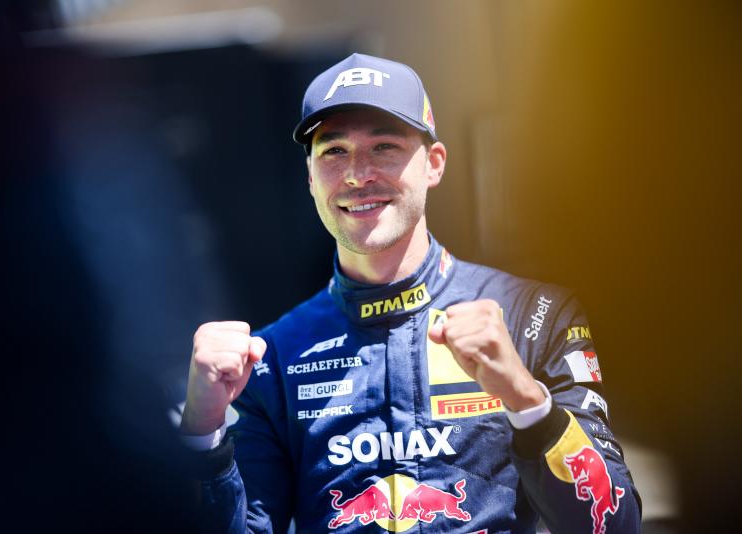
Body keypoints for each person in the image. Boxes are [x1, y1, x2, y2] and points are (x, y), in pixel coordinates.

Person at [178, 53, 641, 533]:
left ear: (434, 164)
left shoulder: (534, 316)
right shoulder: (271, 358)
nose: (358, 175)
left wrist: (525, 399)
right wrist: (202, 434)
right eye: (334, 151)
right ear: (310, 177)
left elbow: (616, 524)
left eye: (384, 147)